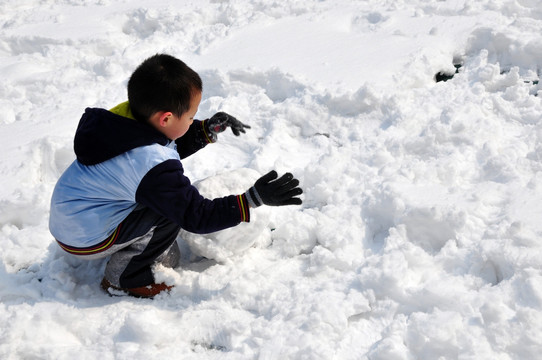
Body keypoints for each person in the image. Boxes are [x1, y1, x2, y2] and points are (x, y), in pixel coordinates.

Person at [49, 54, 303, 298]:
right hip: (85, 238)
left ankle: (133, 245)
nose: (194, 120)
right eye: (191, 117)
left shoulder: (124, 118)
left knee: (166, 200)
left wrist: (204, 130)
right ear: (166, 118)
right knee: (171, 211)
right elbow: (195, 215)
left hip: (72, 217)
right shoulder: (146, 162)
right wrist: (252, 199)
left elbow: (160, 144)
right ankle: (126, 277)